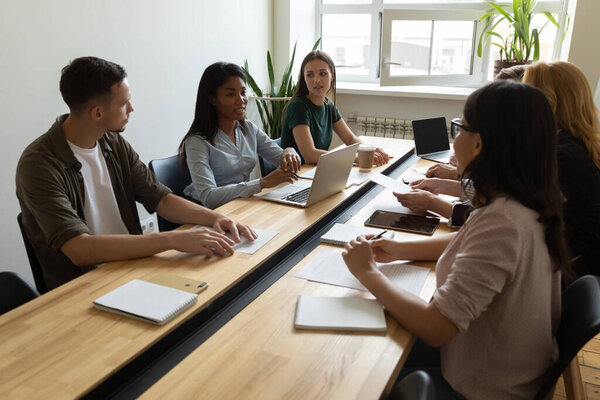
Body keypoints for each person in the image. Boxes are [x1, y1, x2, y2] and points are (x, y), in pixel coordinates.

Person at [342, 81, 568, 398]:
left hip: (485, 387)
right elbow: (466, 242)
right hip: (503, 368)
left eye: (459, 127)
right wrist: (398, 249)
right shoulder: (521, 202)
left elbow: (436, 327)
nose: (455, 137)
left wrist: (368, 273)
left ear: (480, 144)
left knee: (356, 363)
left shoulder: (502, 222)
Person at [16, 57, 257, 290]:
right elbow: (80, 249)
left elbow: (160, 198)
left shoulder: (112, 142)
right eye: (124, 103)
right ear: (97, 113)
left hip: (133, 268)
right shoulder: (38, 164)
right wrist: (171, 240)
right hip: (83, 287)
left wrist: (214, 218)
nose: (131, 108)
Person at [179, 62, 301, 209]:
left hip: (240, 205)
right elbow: (209, 197)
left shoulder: (248, 128)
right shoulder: (196, 142)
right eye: (231, 94)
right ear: (213, 99)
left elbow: (286, 162)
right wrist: (262, 183)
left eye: (243, 92)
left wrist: (290, 151)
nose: (241, 100)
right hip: (207, 211)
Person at [523, 61, 600, 278]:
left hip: (566, 274)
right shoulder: (578, 146)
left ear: (548, 104)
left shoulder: (563, 157)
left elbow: (514, 223)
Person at [280, 50, 389, 165]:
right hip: (297, 176)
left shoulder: (328, 105)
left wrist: (369, 150)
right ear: (304, 78)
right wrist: (357, 159)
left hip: (317, 171)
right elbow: (310, 155)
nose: (316, 80)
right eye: (310, 75)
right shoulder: (298, 107)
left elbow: (351, 140)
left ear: (332, 75)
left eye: (322, 73)